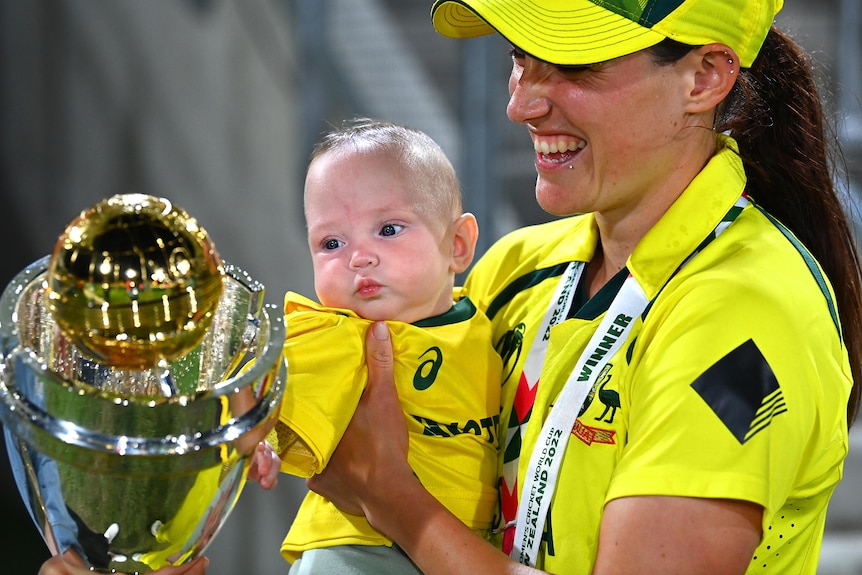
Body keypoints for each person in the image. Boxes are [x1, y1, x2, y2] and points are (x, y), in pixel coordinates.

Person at [305, 1, 862, 574]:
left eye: (573, 64)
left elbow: (387, 487)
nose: (521, 103)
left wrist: (395, 503)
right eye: (520, 58)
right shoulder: (517, 267)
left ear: (705, 77)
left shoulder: (749, 313)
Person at [266, 118, 502, 574]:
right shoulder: (335, 336)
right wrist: (252, 438)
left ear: (457, 244)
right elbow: (256, 387)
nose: (359, 256)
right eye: (331, 242)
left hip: (458, 551)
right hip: (355, 553)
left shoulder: (487, 321)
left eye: (389, 229)